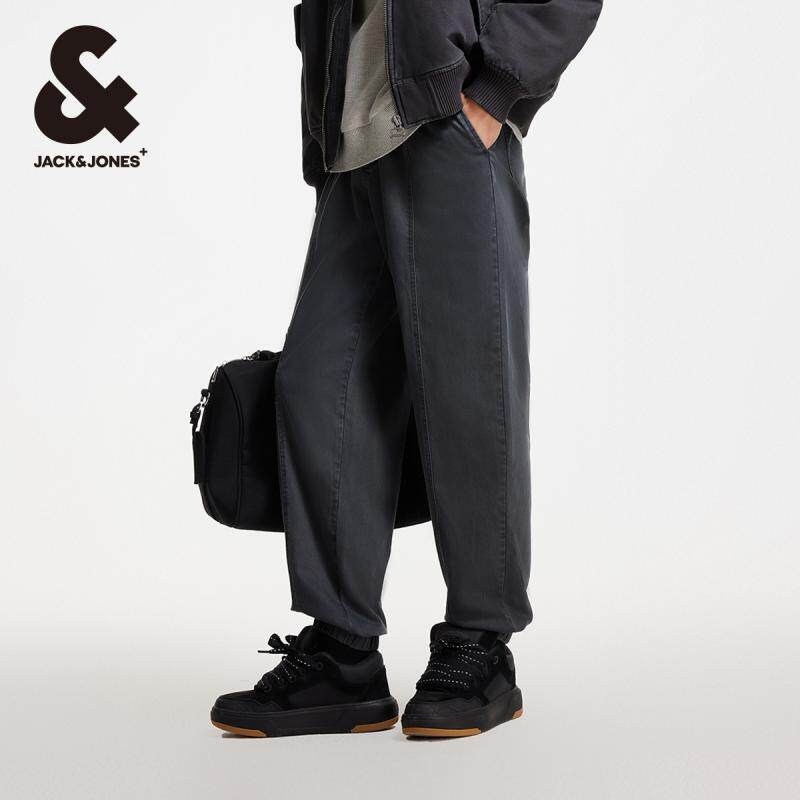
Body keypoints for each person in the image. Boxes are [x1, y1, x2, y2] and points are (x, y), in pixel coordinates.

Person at [211, 0, 602, 739]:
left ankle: (480, 644)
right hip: (353, 140)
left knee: (468, 389)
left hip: (447, 124)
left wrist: (496, 91)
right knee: (316, 385)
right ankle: (344, 654)